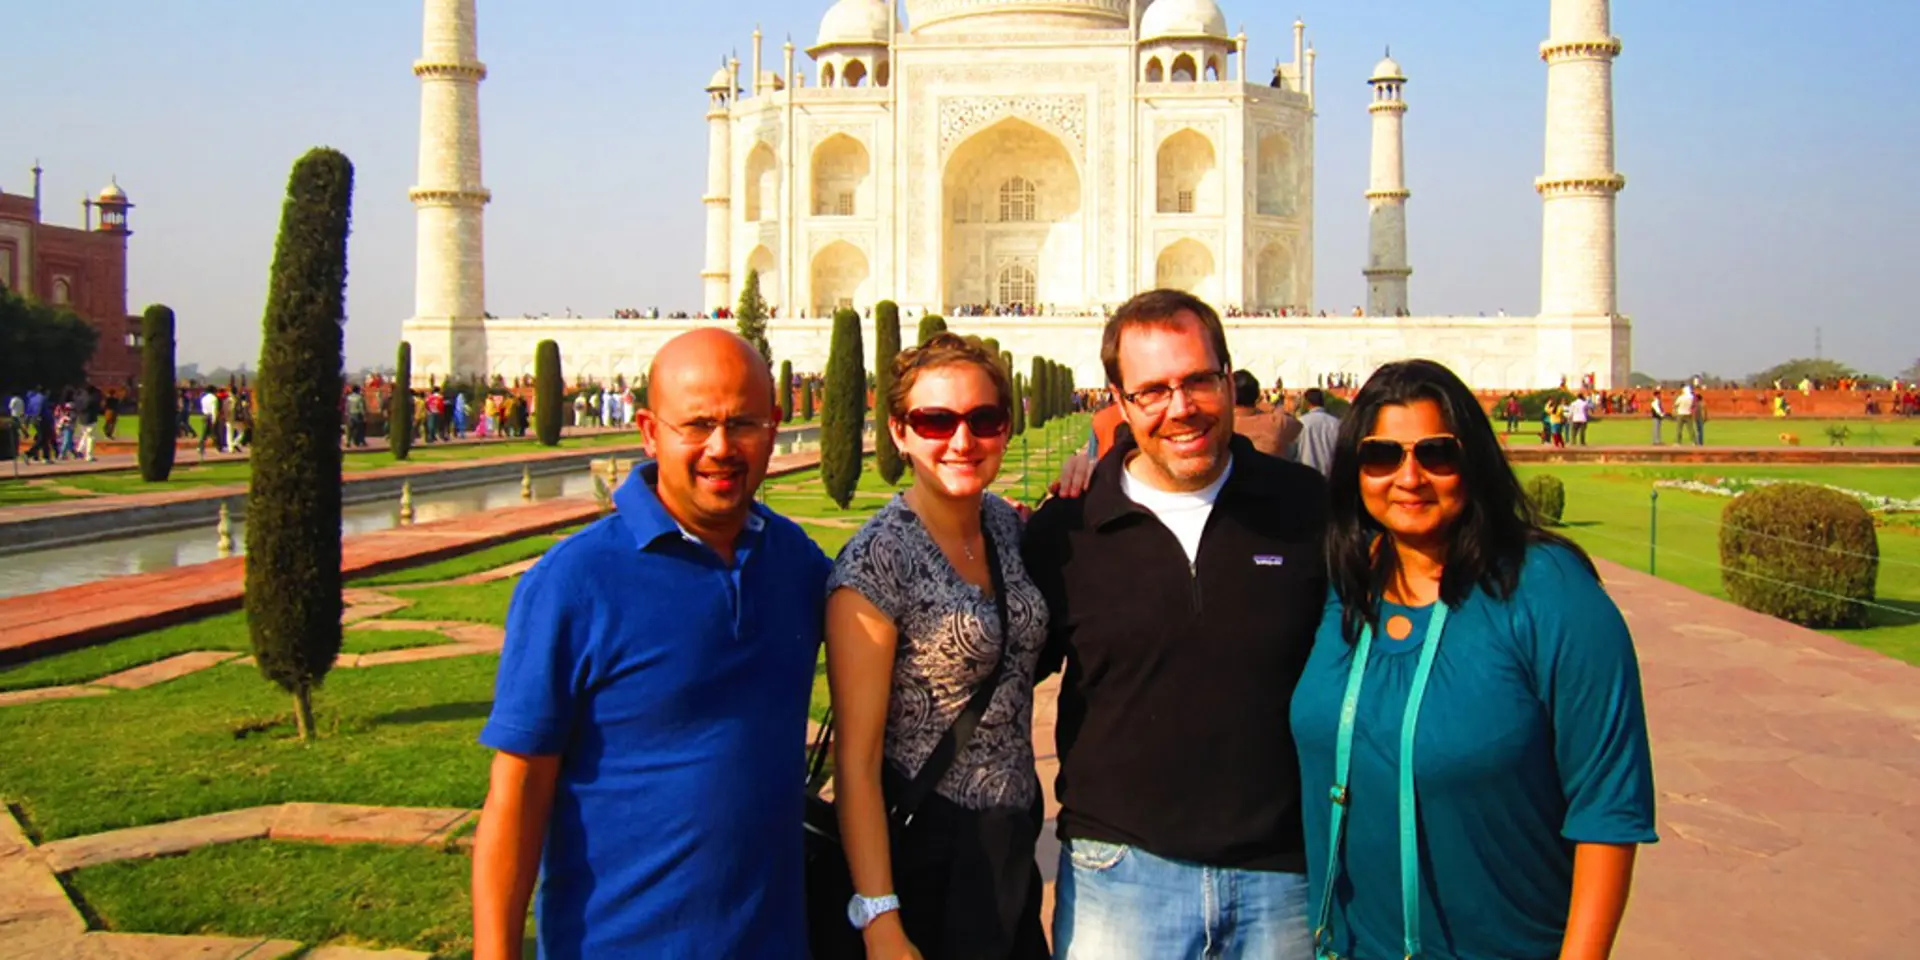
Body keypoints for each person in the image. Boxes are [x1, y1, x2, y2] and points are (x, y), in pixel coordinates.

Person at [472, 329, 829, 959]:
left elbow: (902, 609)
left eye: (743, 423)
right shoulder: (575, 582)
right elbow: (519, 792)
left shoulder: (793, 562)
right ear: (649, 431)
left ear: (774, 427)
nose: (721, 448)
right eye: (696, 424)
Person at [1292, 358, 1656, 960]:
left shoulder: (1546, 592)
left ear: (1473, 461)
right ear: (1355, 470)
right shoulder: (1345, 588)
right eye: (1382, 456)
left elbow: (1609, 809)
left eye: (1436, 453)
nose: (1409, 477)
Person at [1024, 289, 1328, 959]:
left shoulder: (1305, 510)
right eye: (1153, 390)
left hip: (1282, 878)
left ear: (1228, 375)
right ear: (1120, 401)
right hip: (1121, 876)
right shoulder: (1069, 530)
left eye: (1196, 381)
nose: (1180, 408)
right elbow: (999, 681)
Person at [826, 333, 1051, 960]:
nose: (961, 440)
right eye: (935, 420)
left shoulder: (1004, 527)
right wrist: (879, 920)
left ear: (1006, 428)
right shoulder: (878, 560)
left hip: (1007, 844)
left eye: (984, 420)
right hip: (929, 852)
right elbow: (858, 761)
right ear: (899, 431)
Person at [1230, 369, 1302, 459]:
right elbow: (1297, 426)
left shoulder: (1224, 424)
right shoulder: (1276, 423)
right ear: (1256, 394)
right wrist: (1270, 407)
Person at [1295, 388, 1339, 478]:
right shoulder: (1335, 423)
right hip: (1330, 476)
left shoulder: (1300, 423)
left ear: (1307, 402)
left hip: (1305, 475)